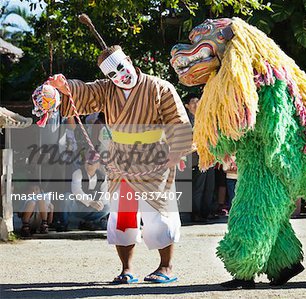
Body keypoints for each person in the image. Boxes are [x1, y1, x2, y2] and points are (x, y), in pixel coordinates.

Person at [33, 16, 192, 284]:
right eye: (113, 74)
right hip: (120, 161)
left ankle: (166, 267)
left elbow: (178, 121)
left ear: (129, 60)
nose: (121, 75)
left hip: (154, 157)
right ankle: (126, 269)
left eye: (122, 67)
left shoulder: (159, 87)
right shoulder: (107, 89)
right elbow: (83, 93)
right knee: (122, 217)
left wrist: (177, 151)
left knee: (158, 215)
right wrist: (64, 87)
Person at [56, 154, 109, 231]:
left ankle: (88, 222)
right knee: (66, 197)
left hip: (91, 209)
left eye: (91, 163)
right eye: (87, 162)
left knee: (107, 206)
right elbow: (77, 191)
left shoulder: (102, 176)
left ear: (97, 165)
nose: (88, 165)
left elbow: (105, 194)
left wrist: (100, 202)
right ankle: (63, 223)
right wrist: (91, 202)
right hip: (77, 207)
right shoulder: (78, 173)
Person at [184, 94, 215, 222]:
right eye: (193, 102)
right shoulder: (186, 120)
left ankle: (206, 212)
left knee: (209, 186)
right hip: (195, 158)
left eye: (198, 101)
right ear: (187, 106)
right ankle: (195, 213)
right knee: (198, 187)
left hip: (209, 156)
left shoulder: (205, 118)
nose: (196, 104)